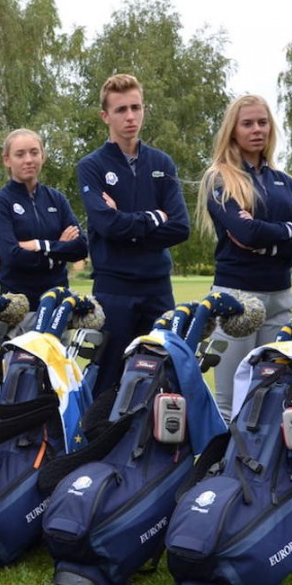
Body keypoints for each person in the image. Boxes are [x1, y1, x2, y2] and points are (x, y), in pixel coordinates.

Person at [194, 95, 292, 421]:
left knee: (273, 398)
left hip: (280, 297)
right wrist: (285, 231)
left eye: (262, 122)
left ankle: (261, 472)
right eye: (247, 123)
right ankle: (220, 471)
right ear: (233, 130)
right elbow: (243, 234)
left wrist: (267, 239)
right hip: (235, 297)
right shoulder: (218, 178)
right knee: (230, 402)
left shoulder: (285, 181)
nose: (257, 129)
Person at [77, 74, 190, 396]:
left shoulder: (161, 162)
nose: (130, 116)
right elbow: (106, 226)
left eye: (136, 107)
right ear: (105, 116)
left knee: (163, 378)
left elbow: (180, 227)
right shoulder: (92, 166)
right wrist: (155, 217)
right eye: (121, 109)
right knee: (110, 380)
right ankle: (99, 443)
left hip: (158, 288)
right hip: (114, 290)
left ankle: (155, 447)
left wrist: (125, 220)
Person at [0, 128, 87, 314]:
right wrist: (58, 251)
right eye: (20, 154)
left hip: (57, 305)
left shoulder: (56, 199)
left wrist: (37, 245)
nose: (28, 160)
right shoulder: (0, 201)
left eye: (34, 152)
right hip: (18, 307)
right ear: (7, 160)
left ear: (43, 156)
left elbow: (80, 247)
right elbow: (11, 255)